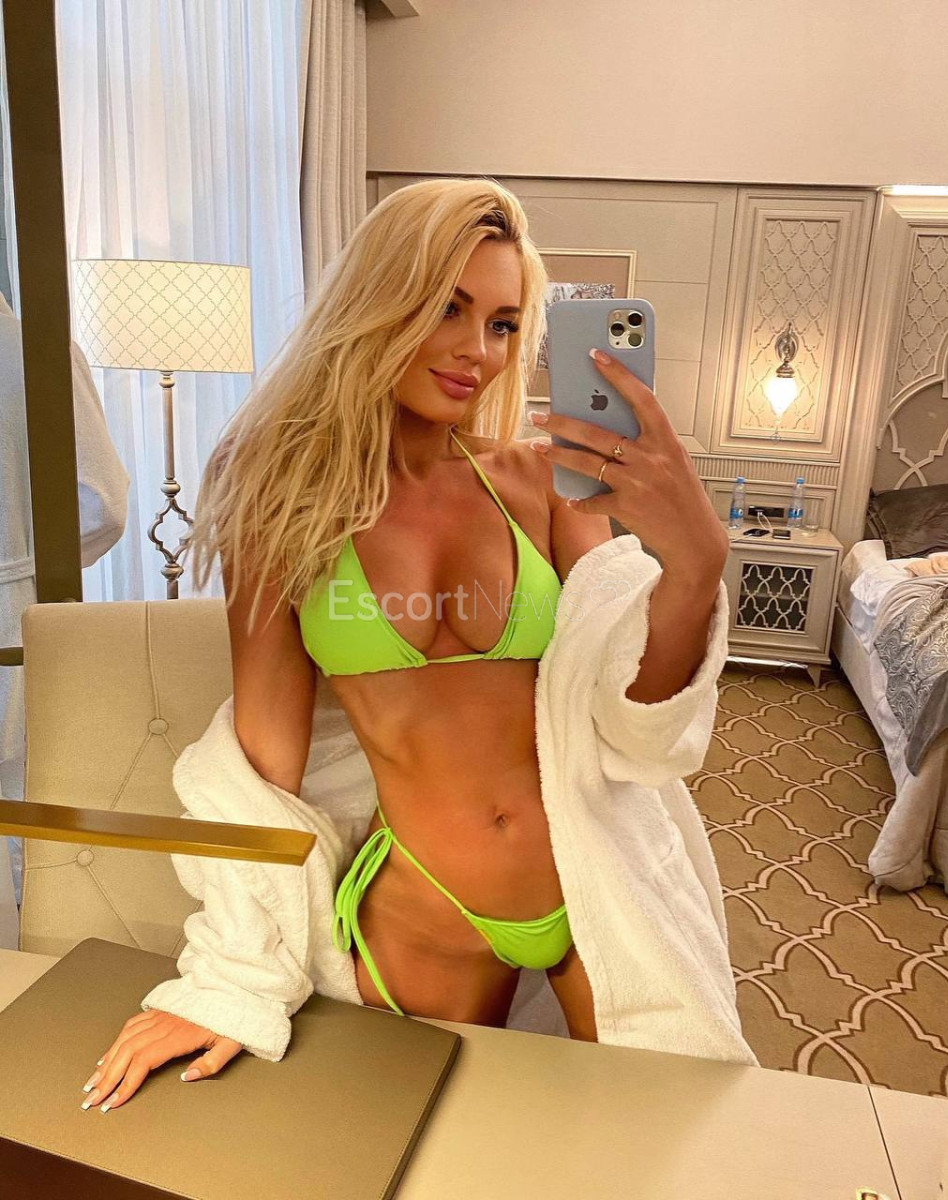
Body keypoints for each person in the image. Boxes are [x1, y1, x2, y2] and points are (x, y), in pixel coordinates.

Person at [79, 178, 733, 1113]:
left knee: (663, 1142)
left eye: (504, 325)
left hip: (598, 881)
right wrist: (229, 973)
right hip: (426, 907)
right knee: (413, 1148)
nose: (478, 351)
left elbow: (631, 714)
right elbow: (266, 756)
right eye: (447, 308)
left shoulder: (542, 480)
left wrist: (697, 565)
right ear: (378, 300)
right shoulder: (279, 489)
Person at [0, 292, 128, 944]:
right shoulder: (31, 350)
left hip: (17, 597)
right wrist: (34, 560)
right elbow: (103, 503)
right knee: (20, 810)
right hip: (16, 610)